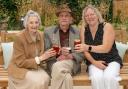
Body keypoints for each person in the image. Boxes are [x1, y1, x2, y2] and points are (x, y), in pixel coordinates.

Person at [75, 5, 123, 89]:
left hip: (111, 60)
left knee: (109, 77)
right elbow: (84, 50)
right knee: (97, 78)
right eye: (87, 16)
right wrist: (94, 62)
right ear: (84, 18)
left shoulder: (107, 26)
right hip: (93, 61)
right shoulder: (84, 28)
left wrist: (88, 47)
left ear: (97, 15)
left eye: (92, 14)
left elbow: (106, 48)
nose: (90, 17)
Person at [8, 10, 56, 89]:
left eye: (36, 22)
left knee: (46, 78)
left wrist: (48, 54)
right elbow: (20, 62)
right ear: (26, 24)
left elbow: (43, 54)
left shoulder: (41, 34)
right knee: (38, 82)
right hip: (20, 68)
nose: (34, 25)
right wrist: (40, 58)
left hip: (35, 67)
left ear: (39, 23)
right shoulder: (19, 38)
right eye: (31, 23)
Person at [44, 4, 84, 89]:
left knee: (58, 67)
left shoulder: (78, 32)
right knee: (67, 78)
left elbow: (81, 53)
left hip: (71, 63)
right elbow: (46, 51)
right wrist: (58, 53)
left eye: (67, 16)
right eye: (61, 16)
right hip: (54, 62)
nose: (64, 18)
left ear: (71, 19)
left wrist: (70, 55)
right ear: (58, 19)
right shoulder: (49, 32)